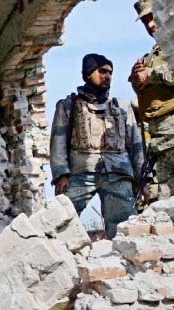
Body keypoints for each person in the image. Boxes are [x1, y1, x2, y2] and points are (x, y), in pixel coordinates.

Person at [50, 53, 143, 238]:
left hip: (118, 174)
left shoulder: (122, 107)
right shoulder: (68, 106)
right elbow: (58, 141)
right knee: (61, 221)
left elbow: (136, 144)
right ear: (87, 73)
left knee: (124, 230)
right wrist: (61, 174)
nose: (107, 76)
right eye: (102, 71)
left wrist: (142, 180)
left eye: (110, 72)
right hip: (80, 173)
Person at [130, 0, 174, 199]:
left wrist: (151, 76)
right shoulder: (153, 55)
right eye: (145, 20)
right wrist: (136, 78)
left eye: (152, 17)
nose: (151, 24)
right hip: (161, 138)